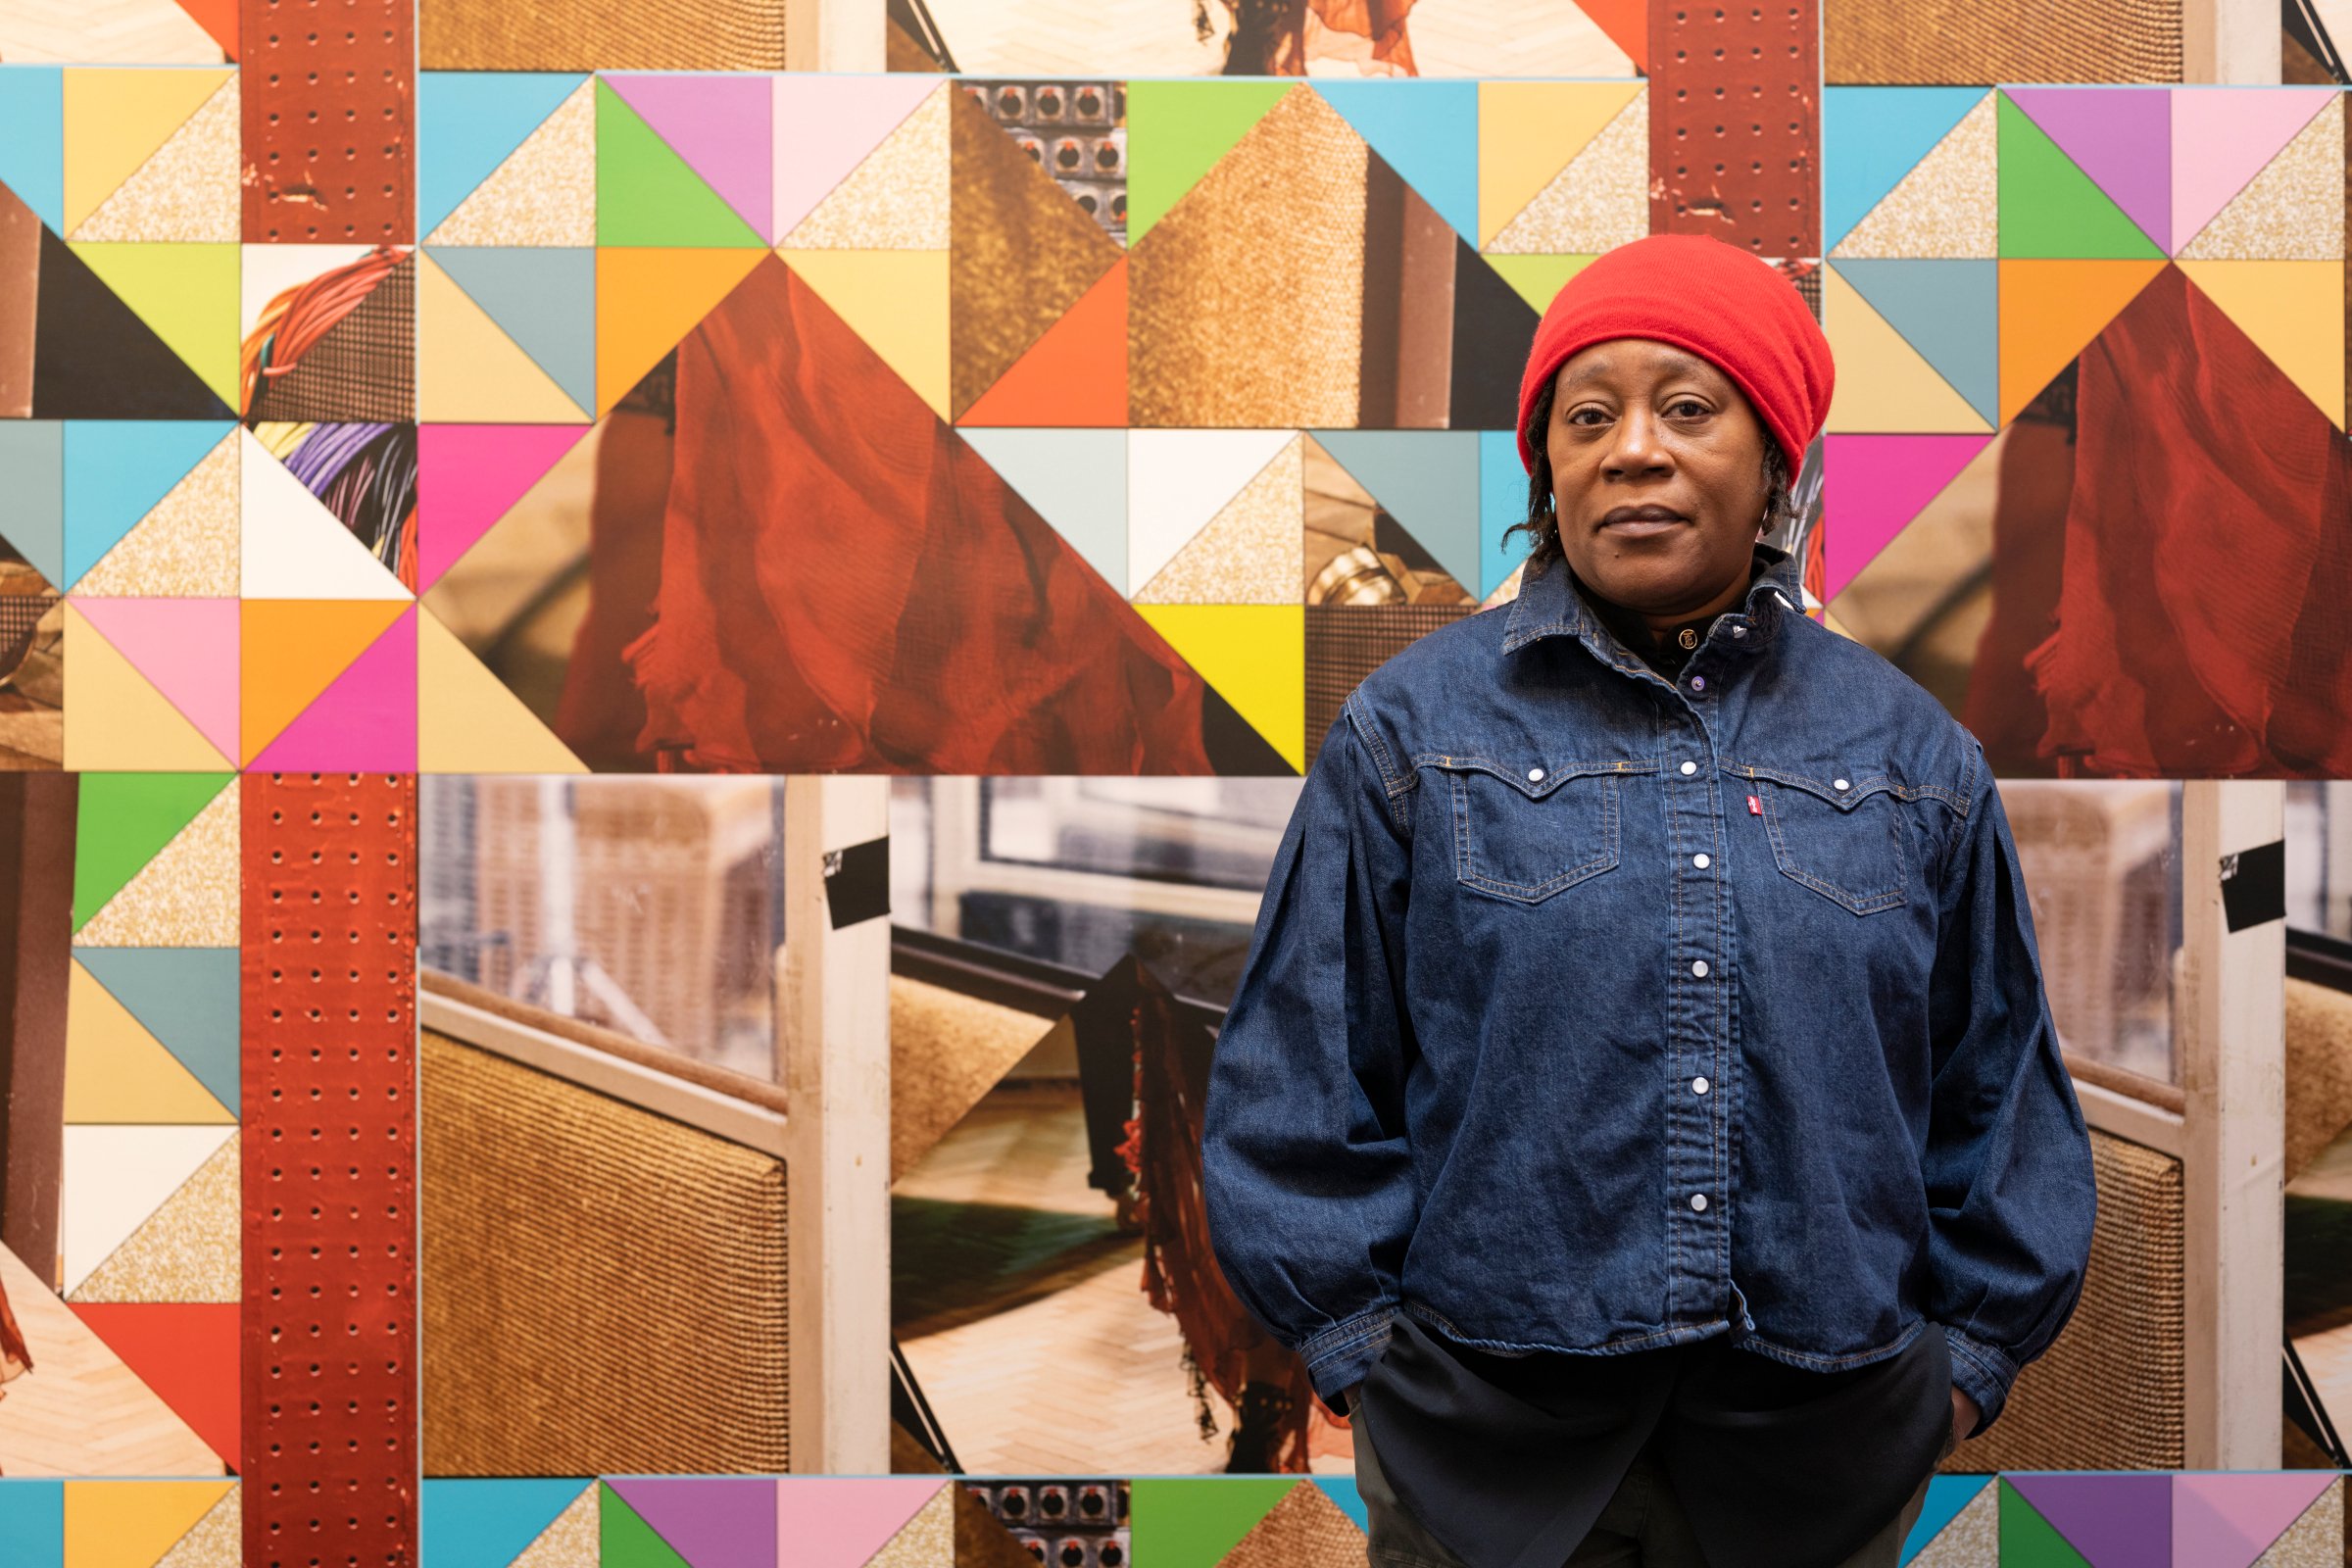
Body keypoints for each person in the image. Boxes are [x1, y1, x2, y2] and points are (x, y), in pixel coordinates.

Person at [1199, 232, 2098, 1567]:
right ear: (1547, 468)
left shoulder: (1910, 758)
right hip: (1485, 1457)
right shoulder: (1410, 732)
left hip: (1819, 1459)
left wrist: (1958, 1366)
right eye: (1587, 416)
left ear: (1775, 463)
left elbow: (2000, 1096)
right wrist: (1368, 1358)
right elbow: (1296, 1080)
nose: (1632, 450)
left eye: (1689, 408)